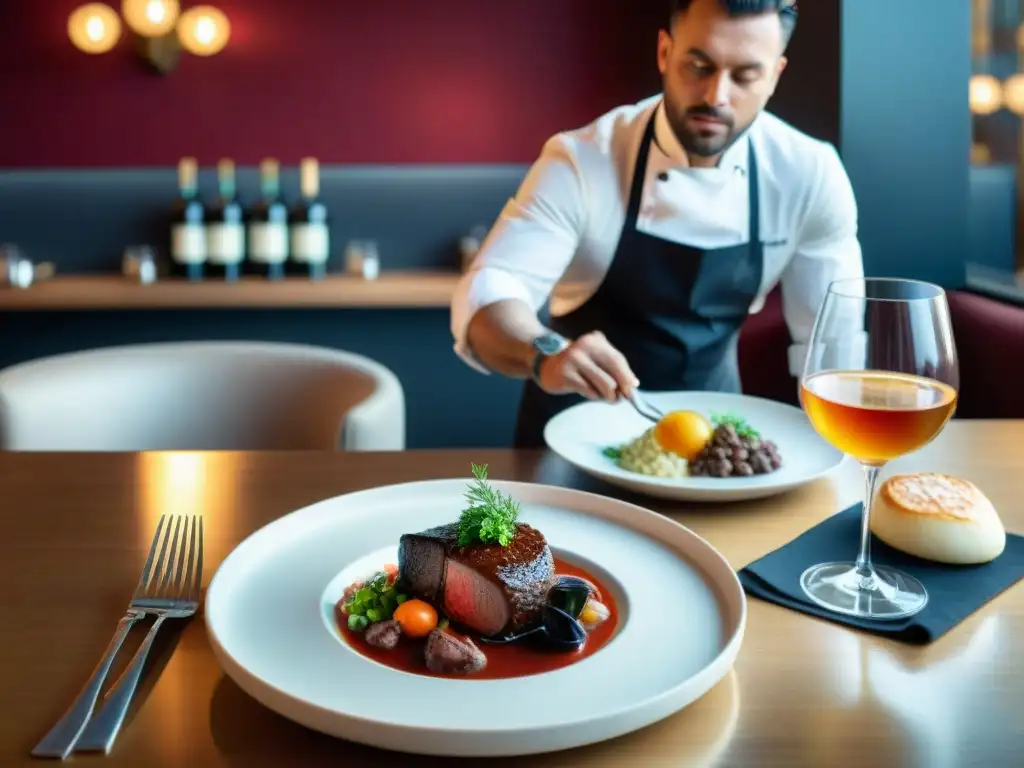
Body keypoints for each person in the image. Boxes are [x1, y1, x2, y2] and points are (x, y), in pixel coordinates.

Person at [449, 0, 864, 448]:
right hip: (573, 443)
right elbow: (491, 291)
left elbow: (833, 352)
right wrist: (544, 352)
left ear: (774, 75)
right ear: (665, 53)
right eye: (698, 65)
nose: (715, 96)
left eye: (744, 76)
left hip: (716, 451)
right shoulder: (583, 160)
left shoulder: (809, 173)